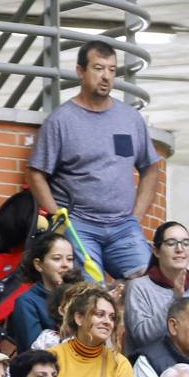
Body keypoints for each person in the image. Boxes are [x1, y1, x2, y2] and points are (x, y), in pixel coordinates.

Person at [26, 41, 159, 280]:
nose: (106, 76)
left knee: (148, 287)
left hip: (124, 227)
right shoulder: (61, 120)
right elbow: (36, 174)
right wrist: (58, 216)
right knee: (90, 298)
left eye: (111, 69)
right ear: (80, 71)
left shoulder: (130, 118)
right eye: (98, 68)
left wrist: (136, 217)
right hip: (79, 227)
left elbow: (150, 168)